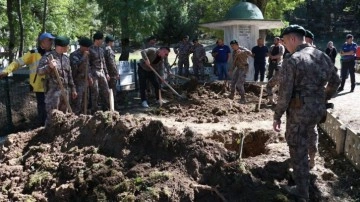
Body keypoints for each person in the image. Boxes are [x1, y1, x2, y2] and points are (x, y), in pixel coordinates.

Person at [273, 25, 340, 202]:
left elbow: (285, 93)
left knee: (297, 148)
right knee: (311, 133)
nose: (285, 45)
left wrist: (277, 115)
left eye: (285, 41)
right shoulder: (323, 56)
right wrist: (322, 97)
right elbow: (336, 81)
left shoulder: (293, 60)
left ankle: (302, 191)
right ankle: (312, 161)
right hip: (318, 110)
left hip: (299, 111)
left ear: (293, 39)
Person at [0, 32, 55, 126]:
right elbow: (18, 62)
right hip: (40, 86)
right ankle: (43, 128)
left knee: (53, 108)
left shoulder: (54, 53)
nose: (51, 42)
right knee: (42, 108)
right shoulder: (33, 53)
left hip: (53, 85)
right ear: (42, 41)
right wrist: (6, 71)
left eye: (52, 40)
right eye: (49, 40)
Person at [37, 36, 77, 124]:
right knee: (52, 117)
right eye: (67, 46)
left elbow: (69, 75)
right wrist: (49, 66)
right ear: (61, 46)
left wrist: (73, 89)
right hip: (53, 93)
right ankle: (49, 135)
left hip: (65, 92)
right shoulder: (48, 57)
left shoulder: (66, 58)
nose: (68, 47)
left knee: (64, 116)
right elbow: (39, 72)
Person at [69, 37, 92, 115]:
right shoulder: (73, 55)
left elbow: (87, 67)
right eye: (87, 47)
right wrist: (83, 57)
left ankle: (83, 120)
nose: (88, 49)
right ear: (82, 46)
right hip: (77, 82)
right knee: (77, 104)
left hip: (85, 82)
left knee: (85, 103)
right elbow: (76, 68)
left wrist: (89, 77)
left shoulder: (87, 54)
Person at [88, 31, 110, 113]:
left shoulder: (101, 49)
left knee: (106, 91)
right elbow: (88, 64)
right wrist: (89, 75)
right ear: (97, 40)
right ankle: (95, 111)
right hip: (94, 73)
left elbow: (103, 62)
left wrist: (106, 73)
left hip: (102, 72)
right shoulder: (90, 49)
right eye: (101, 40)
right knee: (95, 92)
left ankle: (107, 109)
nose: (102, 41)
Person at [228, 40, 252, 104]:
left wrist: (242, 52)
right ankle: (232, 94)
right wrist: (231, 70)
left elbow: (250, 53)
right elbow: (234, 63)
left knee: (239, 84)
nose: (232, 47)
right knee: (233, 82)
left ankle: (243, 98)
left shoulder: (242, 48)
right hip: (239, 68)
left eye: (233, 46)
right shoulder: (234, 52)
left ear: (237, 45)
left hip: (244, 68)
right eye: (231, 46)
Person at [104, 35, 120, 102]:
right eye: (113, 42)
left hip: (107, 72)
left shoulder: (104, 49)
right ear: (110, 42)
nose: (113, 43)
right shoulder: (109, 50)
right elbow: (112, 63)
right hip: (111, 73)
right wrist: (116, 73)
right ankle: (113, 105)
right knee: (112, 90)